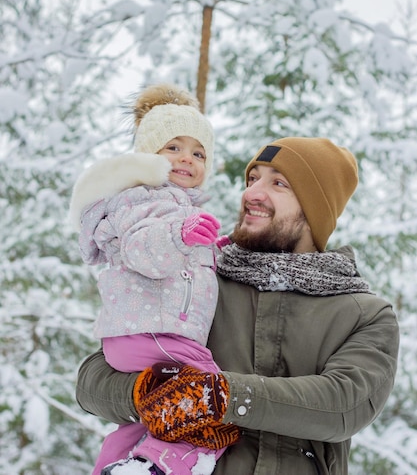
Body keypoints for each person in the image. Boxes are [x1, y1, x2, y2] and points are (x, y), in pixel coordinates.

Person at [76, 136, 400, 475]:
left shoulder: (362, 314)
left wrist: (220, 396)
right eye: (252, 179)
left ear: (315, 207)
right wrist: (150, 393)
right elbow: (93, 380)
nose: (252, 193)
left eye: (279, 183)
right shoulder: (196, 280)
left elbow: (344, 406)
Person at [70, 84, 240, 475]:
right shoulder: (144, 198)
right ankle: (159, 466)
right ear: (148, 156)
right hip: (156, 333)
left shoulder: (171, 206)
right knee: (208, 401)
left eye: (199, 153)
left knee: (145, 417)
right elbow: (141, 248)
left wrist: (214, 246)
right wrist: (179, 236)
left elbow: (188, 267)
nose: (187, 159)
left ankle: (114, 464)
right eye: (173, 147)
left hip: (138, 334)